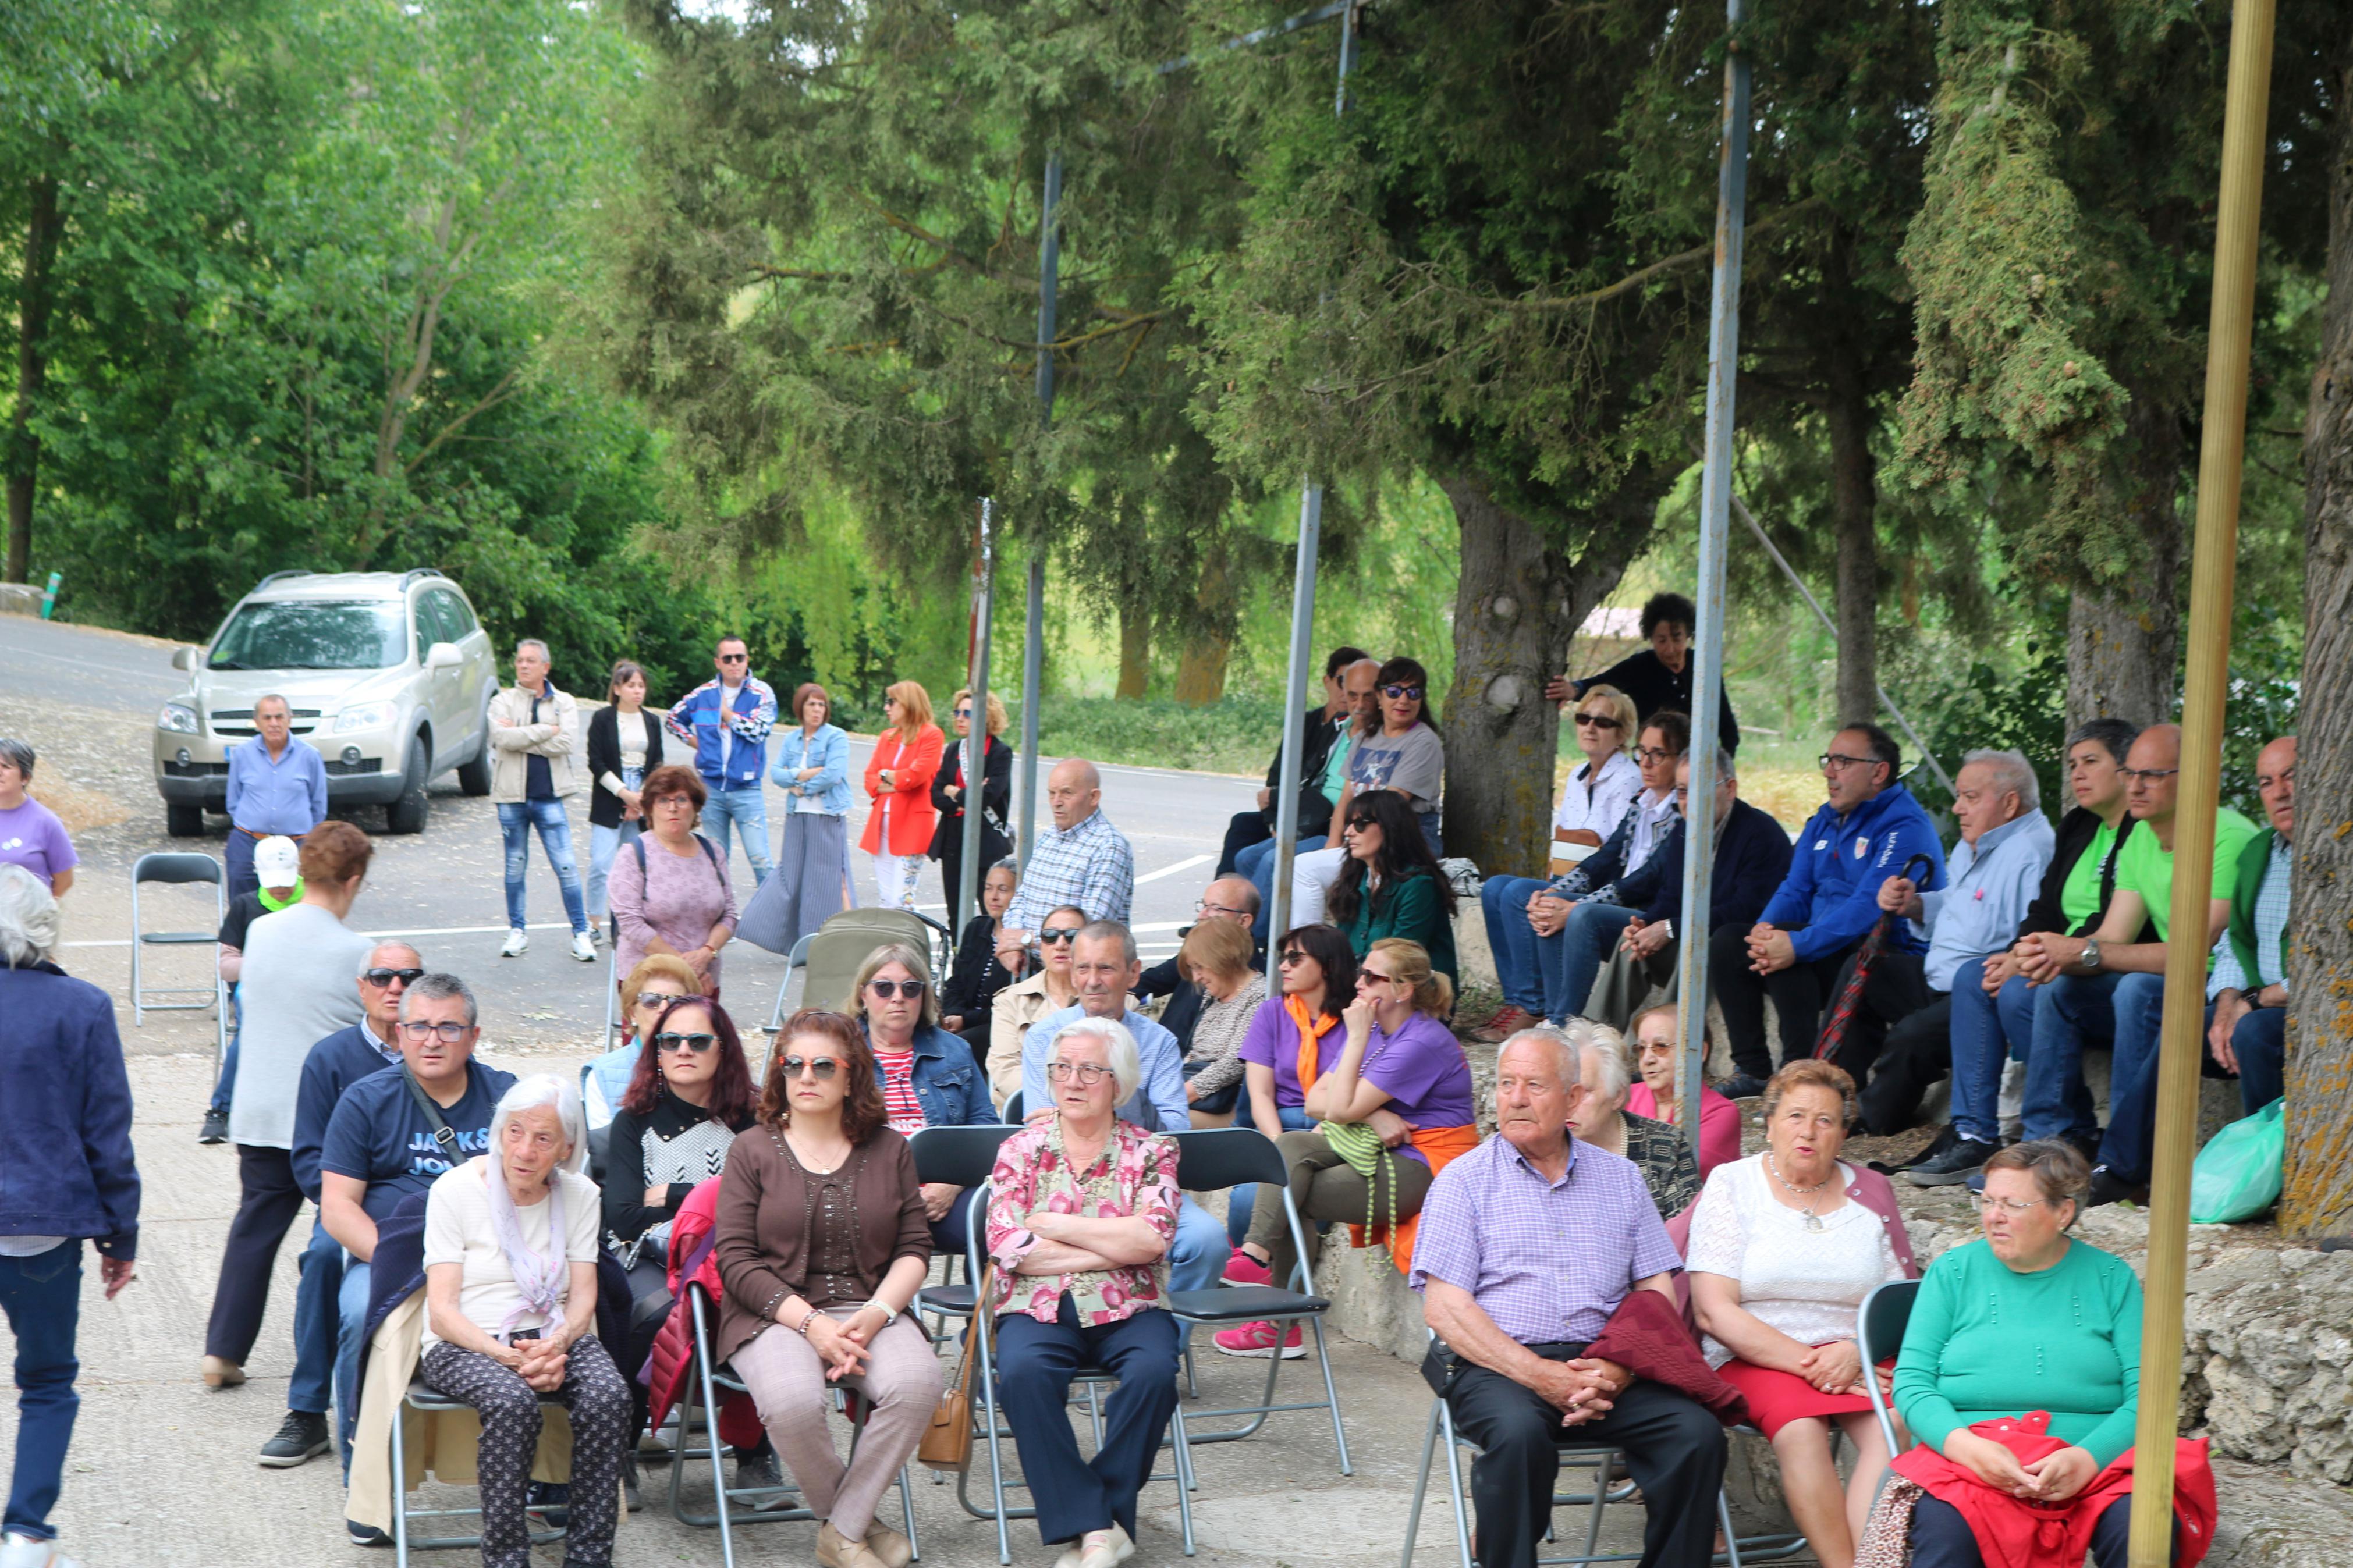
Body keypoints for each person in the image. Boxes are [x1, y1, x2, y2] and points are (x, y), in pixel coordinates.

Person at [1411, 1027, 1729, 1568]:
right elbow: (1445, 1308)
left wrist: (1618, 1368)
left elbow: (1653, 1288)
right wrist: (1540, 1375)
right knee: (1517, 1438)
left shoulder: (1621, 1178)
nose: (1514, 1097)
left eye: (1534, 1084)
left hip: (1604, 1363)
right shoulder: (1463, 1180)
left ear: (1574, 1098)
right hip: (1498, 1365)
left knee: (1695, 1435)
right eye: (1506, 1083)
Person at [714, 1008, 938, 1568]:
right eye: (793, 1064)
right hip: (772, 1311)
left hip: (868, 1306)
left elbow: (915, 1247)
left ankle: (840, 1531)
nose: (806, 1076)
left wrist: (881, 1310)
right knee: (792, 1402)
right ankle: (855, 1527)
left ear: (851, 1075)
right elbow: (735, 1260)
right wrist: (811, 1324)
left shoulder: (891, 1149)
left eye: (822, 1065)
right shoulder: (752, 1149)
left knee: (917, 1383)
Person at [2011, 723, 2258, 1207]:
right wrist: (2050, 952)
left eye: (2152, 775)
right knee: (2058, 990)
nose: (2135, 786)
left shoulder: (2227, 836)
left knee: (2136, 990)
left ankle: (2130, 1163)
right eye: (2130, 774)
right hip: (2169, 982)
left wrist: (2081, 951)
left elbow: (2193, 950)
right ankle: (2047, 1146)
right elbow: (2110, 937)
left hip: (2225, 989)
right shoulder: (2139, 838)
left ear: (2194, 779)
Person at [1686, 1061, 1914, 1568]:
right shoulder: (1733, 1184)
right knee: (1800, 1429)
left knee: (1896, 1421)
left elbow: (1899, 1300)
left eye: (1825, 1120)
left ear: (1844, 1133)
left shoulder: (1872, 1191)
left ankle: (1869, 1562)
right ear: (1767, 1123)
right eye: (1794, 1115)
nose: (1807, 1131)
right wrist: (1808, 1363)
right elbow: (1713, 1309)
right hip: (1755, 1352)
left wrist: (1855, 1352)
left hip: (1854, 1353)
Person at [1900, 721, 2143, 1185]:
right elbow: (2045, 907)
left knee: (2017, 992)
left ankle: (2063, 1131)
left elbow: (2117, 925)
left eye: (2090, 762)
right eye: (2072, 764)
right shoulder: (2078, 825)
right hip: (2060, 955)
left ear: (2126, 770)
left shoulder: (2138, 831)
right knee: (1978, 976)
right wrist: (2019, 951)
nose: (2077, 774)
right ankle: (1974, 1134)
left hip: (2101, 964)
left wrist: (2031, 957)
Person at [1891, 1142, 2155, 1568]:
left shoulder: (2111, 1278)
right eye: (1988, 1200)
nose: (1993, 1216)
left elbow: (2151, 1396)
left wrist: (2087, 1457)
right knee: (1945, 1532)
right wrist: (1966, 1447)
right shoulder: (1952, 1272)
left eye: (2012, 1204)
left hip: (2095, 1462)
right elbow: (1912, 1382)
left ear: (2062, 1212)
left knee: (2145, 1529)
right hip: (1969, 1460)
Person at [1217, 938, 1474, 1359]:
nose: (1358, 982)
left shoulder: (1419, 1040)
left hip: (1428, 1162)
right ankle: (1257, 1258)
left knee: (1295, 1193)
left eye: (1371, 977)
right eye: (1361, 971)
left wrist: (1354, 1044)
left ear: (1402, 990)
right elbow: (1315, 1100)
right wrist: (1372, 1114)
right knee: (1290, 1144)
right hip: (1376, 1145)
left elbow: (1335, 1108)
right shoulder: (1376, 1027)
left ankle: (1277, 1322)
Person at [986, 1016, 1182, 1568]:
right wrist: (1114, 1245)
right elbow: (1007, 1243)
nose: (1072, 1081)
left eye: (1090, 1069)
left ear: (1118, 1083)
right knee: (1022, 1375)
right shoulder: (1019, 1149)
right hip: (1037, 1303)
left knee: (1154, 1373)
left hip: (1131, 1305)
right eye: (1061, 1068)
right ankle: (1100, 1527)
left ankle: (1094, 1520)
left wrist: (1052, 1222)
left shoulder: (1153, 1151)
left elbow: (1153, 1237)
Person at [321, 971, 518, 1510]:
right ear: (399, 1034)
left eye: (449, 1027)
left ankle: (552, 1476)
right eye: (420, 1026)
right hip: (394, 1258)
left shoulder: (507, 1098)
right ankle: (363, 1479)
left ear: (473, 1036)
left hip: (494, 1263)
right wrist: (408, 1265)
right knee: (361, 1313)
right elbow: (338, 1208)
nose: (432, 1039)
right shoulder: (365, 1101)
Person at [420, 1075, 627, 1568]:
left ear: (566, 1147)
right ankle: (507, 1557)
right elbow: (442, 1310)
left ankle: (589, 1555)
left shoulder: (580, 1194)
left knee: (609, 1394)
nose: (525, 1150)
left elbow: (583, 1298)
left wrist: (556, 1344)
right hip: (466, 1342)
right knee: (512, 1402)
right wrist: (506, 1355)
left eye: (543, 1138)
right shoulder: (455, 1189)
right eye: (515, 1131)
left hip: (553, 1332)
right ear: (498, 1132)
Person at [202, 822, 373, 1400]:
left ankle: (222, 1349)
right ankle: (324, 1352)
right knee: (336, 1231)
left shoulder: (261, 932)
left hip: (260, 1103)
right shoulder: (359, 953)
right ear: (352, 881)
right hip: (324, 1118)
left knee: (255, 1225)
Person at [0, 866, 139, 1568]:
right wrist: (120, 1233)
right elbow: (107, 1134)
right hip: (39, 1223)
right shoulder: (81, 1006)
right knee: (48, 1380)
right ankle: (25, 1534)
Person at [1713, 723, 1945, 1100]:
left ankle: (1799, 1075)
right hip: (1823, 945)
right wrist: (1762, 932)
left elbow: (1865, 907)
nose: (1828, 771)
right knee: (1728, 941)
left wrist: (1796, 942)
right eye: (1828, 760)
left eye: (1842, 761)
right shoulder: (1824, 818)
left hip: (1879, 957)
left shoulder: (1905, 826)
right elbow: (1795, 886)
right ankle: (1753, 1069)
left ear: (1879, 771)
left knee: (1792, 953)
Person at [1016, 922, 1229, 1318]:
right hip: (1061, 1188)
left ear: (1134, 973)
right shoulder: (1045, 1036)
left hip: (1140, 1186)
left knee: (1208, 1240)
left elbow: (1175, 1133)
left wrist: (1113, 1087)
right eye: (1082, 969)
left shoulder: (1158, 1042)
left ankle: (1165, 1338)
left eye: (1106, 969)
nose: (1092, 981)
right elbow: (1038, 1125)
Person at [1820, 750, 2053, 1107]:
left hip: (1981, 991)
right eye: (1959, 796)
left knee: (1911, 1036)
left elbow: (2032, 935)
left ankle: (1867, 1117)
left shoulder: (2032, 853)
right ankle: (1828, 1090)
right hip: (1937, 975)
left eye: (1970, 798)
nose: (1958, 808)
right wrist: (1914, 905)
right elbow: (1960, 903)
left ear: (2010, 804)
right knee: (1862, 971)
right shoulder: (1972, 842)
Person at [602, 993, 759, 1470]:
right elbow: (625, 1217)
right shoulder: (633, 1123)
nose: (683, 1049)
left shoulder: (752, 1122)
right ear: (657, 1052)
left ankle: (754, 1455)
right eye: (671, 1040)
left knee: (759, 1315)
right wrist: (716, 1199)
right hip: (646, 1257)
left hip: (735, 1256)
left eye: (697, 1040)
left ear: (723, 1049)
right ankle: (622, 1448)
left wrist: (670, 1193)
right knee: (651, 1313)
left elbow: (765, 1206)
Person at [286, 940, 424, 1469]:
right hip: (347, 1197)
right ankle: (306, 1407)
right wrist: (341, 1204)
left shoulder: (439, 1049)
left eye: (409, 977)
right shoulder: (330, 1057)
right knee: (323, 1256)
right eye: (383, 977)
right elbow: (307, 1156)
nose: (396, 987)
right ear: (361, 986)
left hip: (414, 1207)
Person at [1474, 712, 1687, 1041]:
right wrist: (1555, 892)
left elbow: (1648, 879)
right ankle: (1530, 1006)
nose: (1646, 762)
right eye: (1642, 752)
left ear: (1682, 759)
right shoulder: (1641, 802)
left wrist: (1574, 906)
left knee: (1579, 915)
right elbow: (1606, 857)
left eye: (1658, 754)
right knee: (1510, 891)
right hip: (1617, 901)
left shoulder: (1681, 812)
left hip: (1647, 915)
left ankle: (1562, 1025)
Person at [1598, 745, 1791, 1032]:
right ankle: (1600, 1041)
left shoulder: (1762, 834)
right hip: (1696, 936)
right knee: (1631, 945)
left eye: (1700, 789)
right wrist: (1646, 924)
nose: (1689, 802)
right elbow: (1671, 898)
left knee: (1699, 947)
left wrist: (1669, 929)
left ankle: (1665, 1052)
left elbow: (1744, 912)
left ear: (1730, 788)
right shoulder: (1683, 832)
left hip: (1741, 949)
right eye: (1683, 791)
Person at [848, 940, 1001, 1258]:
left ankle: (996, 1309)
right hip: (866, 1196)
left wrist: (953, 1184)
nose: (898, 998)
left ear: (924, 997)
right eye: (884, 988)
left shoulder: (954, 1051)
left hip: (942, 1197)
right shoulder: (841, 1051)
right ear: (864, 995)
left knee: (1001, 1227)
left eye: (911, 988)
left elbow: (985, 1130)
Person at [1283, 656, 1447, 931]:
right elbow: (1346, 801)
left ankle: (1312, 951)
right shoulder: (1366, 737)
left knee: (1305, 868)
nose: (1403, 700)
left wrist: (1345, 856)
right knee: (1285, 862)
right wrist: (1334, 847)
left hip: (1401, 844)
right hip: (1363, 840)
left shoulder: (1424, 742)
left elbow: (1389, 810)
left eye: (1413, 692)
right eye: (1394, 692)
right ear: (1380, 697)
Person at [1235, 657, 1381, 943]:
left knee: (1271, 860)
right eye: (1352, 695)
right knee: (1246, 856)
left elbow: (1353, 798)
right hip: (1313, 816)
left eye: (1368, 696)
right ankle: (1237, 923)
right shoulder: (1340, 730)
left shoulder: (1377, 737)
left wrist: (1335, 838)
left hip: (1336, 827)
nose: (1360, 704)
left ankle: (1254, 946)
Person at [1219, 645, 1373, 875]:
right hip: (1294, 811)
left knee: (1270, 859)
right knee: (1243, 826)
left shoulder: (1351, 728)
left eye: (1364, 692)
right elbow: (1276, 778)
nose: (1350, 695)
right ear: (1327, 682)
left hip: (1316, 817)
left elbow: (1331, 791)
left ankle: (1250, 905)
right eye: (1344, 683)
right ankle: (1222, 897)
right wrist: (1275, 823)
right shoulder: (1306, 723)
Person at [487, 639, 594, 962]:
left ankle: (581, 933)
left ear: (545, 667)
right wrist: (546, 729)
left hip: (549, 796)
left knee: (566, 866)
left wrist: (523, 735)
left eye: (531, 661)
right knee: (514, 866)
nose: (523, 666)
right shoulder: (501, 701)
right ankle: (517, 930)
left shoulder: (564, 701)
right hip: (510, 796)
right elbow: (502, 738)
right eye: (519, 660)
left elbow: (566, 742)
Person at [2207, 735, 2295, 1118]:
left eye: (2291, 776)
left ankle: (2265, 1167)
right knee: (2177, 1026)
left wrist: (2254, 1002)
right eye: (2266, 782)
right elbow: (2234, 941)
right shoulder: (2259, 852)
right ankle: (2125, 1163)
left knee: (2254, 1033)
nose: (2279, 792)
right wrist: (2227, 1005)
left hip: (2318, 1008)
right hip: (2255, 1006)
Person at [199, 833, 304, 1145]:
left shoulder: (313, 902)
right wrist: (261, 963)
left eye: (287, 881)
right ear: (258, 873)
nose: (282, 889)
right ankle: (221, 1109)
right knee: (251, 1032)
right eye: (274, 882)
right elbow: (226, 965)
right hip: (258, 991)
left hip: (304, 990)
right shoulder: (246, 906)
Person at [1545, 591, 1740, 754]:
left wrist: (1719, 769)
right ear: (1651, 638)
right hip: (1652, 763)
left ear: (1689, 634)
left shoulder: (1706, 667)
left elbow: (1727, 727)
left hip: (1695, 765)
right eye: (1662, 640)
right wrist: (1574, 690)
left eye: (1677, 638)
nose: (1671, 649)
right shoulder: (1640, 666)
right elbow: (1602, 682)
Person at [609, 763, 739, 998]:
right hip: (650, 985)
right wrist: (685, 969)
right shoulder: (633, 854)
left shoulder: (713, 851)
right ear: (649, 809)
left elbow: (729, 915)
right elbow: (631, 924)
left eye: (681, 800)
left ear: (695, 807)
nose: (673, 808)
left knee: (702, 1036)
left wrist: (707, 953)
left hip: (706, 980)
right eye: (663, 801)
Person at [664, 633, 779, 887]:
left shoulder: (762, 693)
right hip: (712, 788)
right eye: (728, 658)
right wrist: (696, 743)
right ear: (718, 662)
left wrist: (727, 714)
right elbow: (672, 719)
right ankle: (720, 919)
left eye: (740, 657)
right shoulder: (703, 694)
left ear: (747, 659)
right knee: (716, 860)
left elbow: (759, 731)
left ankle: (774, 922)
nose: (734, 663)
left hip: (747, 789)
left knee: (761, 859)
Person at [997, 759, 1135, 965]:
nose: (1056, 801)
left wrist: (1025, 940)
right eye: (1052, 793)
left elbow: (1092, 927)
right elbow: (1023, 896)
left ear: (1093, 797)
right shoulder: (1050, 836)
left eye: (1066, 793)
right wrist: (1013, 942)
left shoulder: (1109, 846)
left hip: (1083, 976)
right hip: (1039, 968)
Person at [1563, 1021, 1699, 1222]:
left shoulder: (1666, 1145)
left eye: (1582, 1093)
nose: (1567, 1104)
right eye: (1562, 1089)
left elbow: (1686, 1235)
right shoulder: (1538, 1145)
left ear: (1617, 1095)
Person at [1327, 788, 1460, 987]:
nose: (1348, 833)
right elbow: (1342, 945)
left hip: (1415, 999)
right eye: (1348, 824)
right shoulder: (1356, 877)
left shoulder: (1419, 885)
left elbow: (1399, 960)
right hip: (1366, 989)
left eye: (1360, 824)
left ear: (1390, 827)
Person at [768, 681, 856, 948]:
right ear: (801, 707)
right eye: (811, 704)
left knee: (830, 878)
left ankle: (842, 937)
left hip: (826, 814)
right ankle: (797, 940)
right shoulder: (791, 738)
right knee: (794, 876)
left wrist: (800, 786)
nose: (817, 710)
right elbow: (775, 774)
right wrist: (803, 773)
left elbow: (833, 773)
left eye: (821, 704)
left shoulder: (836, 736)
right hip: (797, 815)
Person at [1134, 876, 1262, 1057]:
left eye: (1215, 908)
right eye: (1204, 906)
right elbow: (1151, 981)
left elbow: (1232, 1061)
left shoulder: (1254, 979)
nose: (1202, 915)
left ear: (1244, 921)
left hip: (1191, 1073)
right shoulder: (1198, 953)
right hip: (1163, 1060)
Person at [221, 694, 327, 903]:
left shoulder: (309, 756)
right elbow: (234, 801)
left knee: (301, 903)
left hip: (297, 844)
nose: (274, 723)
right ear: (257, 722)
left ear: (290, 719)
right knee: (243, 901)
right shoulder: (243, 754)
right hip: (248, 842)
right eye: (267, 718)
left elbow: (319, 805)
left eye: (279, 717)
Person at [585, 659, 665, 934]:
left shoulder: (652, 721)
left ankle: (626, 927)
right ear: (618, 688)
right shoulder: (602, 719)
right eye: (631, 685)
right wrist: (624, 795)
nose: (637, 691)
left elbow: (657, 762)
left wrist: (641, 798)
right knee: (601, 864)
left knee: (635, 869)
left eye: (641, 685)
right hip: (611, 794)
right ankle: (594, 924)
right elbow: (596, 762)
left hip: (643, 796)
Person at [584, 952, 704, 1130]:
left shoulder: (710, 1065)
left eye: (676, 1001)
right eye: (651, 1001)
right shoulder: (602, 1076)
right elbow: (606, 1152)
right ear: (632, 1013)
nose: (664, 1009)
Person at [986, 902, 1085, 1107]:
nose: (1060, 944)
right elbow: (1004, 1067)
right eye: (1049, 936)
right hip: (1027, 1112)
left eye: (1072, 936)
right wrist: (1054, 1101)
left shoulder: (1109, 1000)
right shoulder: (1011, 1000)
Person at [1624, 1005, 1740, 1179]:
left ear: (1700, 1052)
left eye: (1660, 1046)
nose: (1647, 1059)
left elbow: (1680, 1175)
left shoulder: (1721, 1113)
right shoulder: (1625, 1097)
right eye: (1641, 1048)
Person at [1172, 917, 1267, 1123]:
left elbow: (1235, 1062)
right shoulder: (1215, 994)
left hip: (1227, 1106)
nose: (1196, 978)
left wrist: (1177, 1095)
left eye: (1200, 967)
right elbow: (1195, 1053)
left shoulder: (1259, 996)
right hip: (1195, 1095)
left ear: (1223, 959)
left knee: (1155, 1124)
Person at [862, 681, 944, 911]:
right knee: (886, 900)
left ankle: (911, 944)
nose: (887, 708)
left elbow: (916, 777)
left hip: (912, 826)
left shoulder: (931, 735)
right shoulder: (887, 736)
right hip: (882, 826)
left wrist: (886, 777)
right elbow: (869, 777)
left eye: (892, 702)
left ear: (909, 704)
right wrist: (893, 781)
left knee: (902, 900)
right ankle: (891, 945)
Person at [933, 687, 1013, 917]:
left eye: (967, 714)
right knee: (956, 911)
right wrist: (964, 796)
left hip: (985, 839)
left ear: (985, 716)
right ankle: (961, 951)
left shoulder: (1000, 752)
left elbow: (988, 796)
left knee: (992, 911)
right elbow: (936, 794)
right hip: (953, 837)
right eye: (957, 712)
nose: (960, 718)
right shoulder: (954, 749)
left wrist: (954, 792)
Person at [941, 858, 1022, 1059]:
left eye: (1003, 890)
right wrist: (953, 1013)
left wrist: (964, 1020)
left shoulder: (1021, 945)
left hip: (996, 1026)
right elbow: (956, 982)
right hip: (960, 1019)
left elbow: (1009, 1006)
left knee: (955, 1048)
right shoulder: (976, 928)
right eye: (988, 889)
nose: (993, 897)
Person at [1552, 684, 1644, 857]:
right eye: (1583, 719)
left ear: (1622, 733)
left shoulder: (1628, 780)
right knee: (1499, 883)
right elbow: (1562, 842)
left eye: (1603, 722)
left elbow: (1622, 853)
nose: (1590, 728)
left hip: (1596, 880)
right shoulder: (1576, 775)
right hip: (1564, 875)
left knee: (1514, 886)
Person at [0, 739, 77, 896]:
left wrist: (39, 913)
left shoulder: (46, 822)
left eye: (6, 767)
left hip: (24, 918)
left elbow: (65, 880)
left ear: (25, 778)